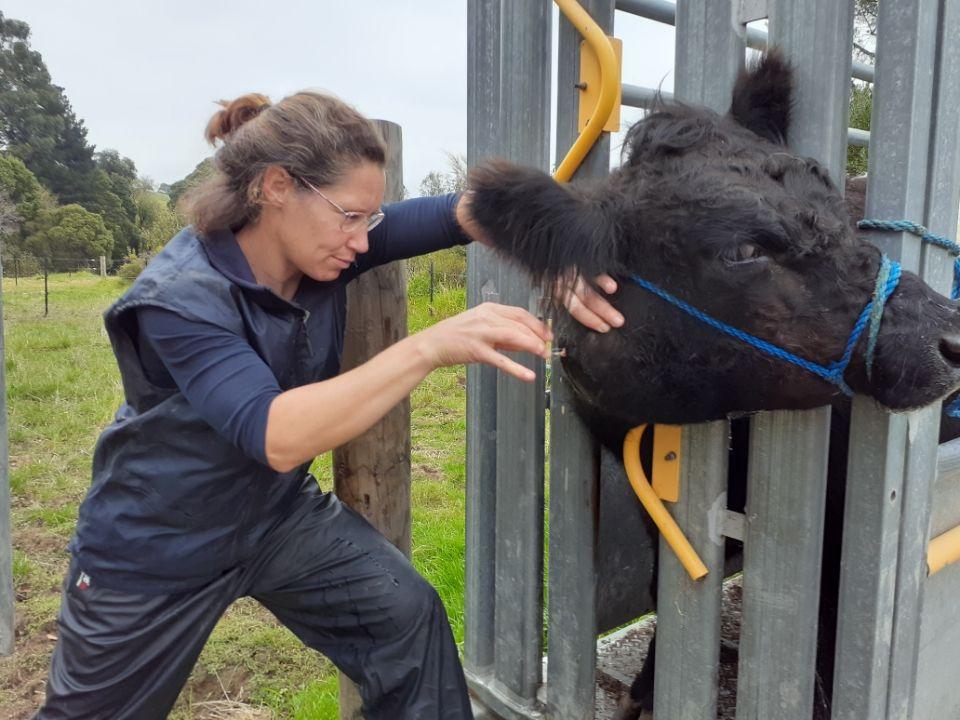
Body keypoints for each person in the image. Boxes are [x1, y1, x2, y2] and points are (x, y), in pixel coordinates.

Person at [35, 91, 624, 720]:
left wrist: (560, 251)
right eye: (349, 216)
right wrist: (431, 344)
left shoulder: (322, 251)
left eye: (369, 219)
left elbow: (470, 212)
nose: (363, 240)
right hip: (156, 542)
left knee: (405, 617)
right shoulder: (179, 299)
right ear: (276, 187)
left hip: (273, 517)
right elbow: (275, 434)